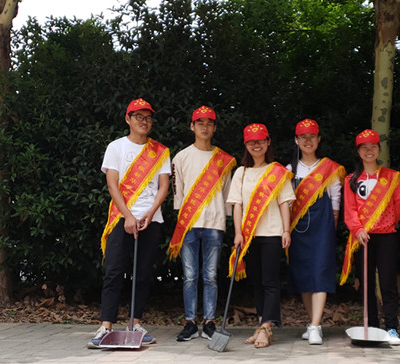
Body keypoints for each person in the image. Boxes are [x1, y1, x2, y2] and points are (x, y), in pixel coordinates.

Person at [88, 98, 171, 349]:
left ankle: (135, 324)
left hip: (150, 219)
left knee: (143, 273)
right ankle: (106, 326)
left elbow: (163, 186)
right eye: (138, 117)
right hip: (121, 217)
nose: (144, 121)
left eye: (148, 117)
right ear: (128, 119)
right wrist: (128, 216)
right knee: (114, 270)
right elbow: (112, 185)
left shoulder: (160, 151)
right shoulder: (116, 147)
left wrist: (150, 213)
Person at [169, 106, 236, 342]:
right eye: (200, 123)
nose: (204, 127)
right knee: (189, 276)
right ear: (192, 126)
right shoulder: (181, 157)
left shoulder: (225, 160)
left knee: (210, 276)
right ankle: (189, 322)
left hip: (215, 223)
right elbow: (178, 193)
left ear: (215, 128)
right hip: (189, 223)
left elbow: (227, 194)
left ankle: (209, 322)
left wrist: (226, 217)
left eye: (209, 123)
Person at [226, 123, 296, 348]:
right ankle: (260, 324)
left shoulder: (277, 171)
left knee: (270, 281)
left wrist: (286, 230)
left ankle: (266, 327)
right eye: (251, 141)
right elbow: (237, 205)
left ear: (268, 142)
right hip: (249, 236)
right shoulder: (241, 172)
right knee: (256, 282)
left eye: (260, 141)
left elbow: (284, 203)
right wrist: (238, 233)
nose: (256, 145)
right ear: (246, 145)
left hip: (272, 233)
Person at [341, 129, 400, 345]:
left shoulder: (391, 176)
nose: (369, 151)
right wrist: (358, 229)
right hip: (362, 237)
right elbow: (350, 210)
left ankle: (392, 327)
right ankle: (372, 325)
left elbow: (399, 205)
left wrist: (386, 223)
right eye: (364, 148)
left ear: (379, 149)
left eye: (373, 147)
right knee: (366, 283)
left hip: (387, 236)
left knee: (387, 282)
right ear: (358, 151)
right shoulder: (351, 179)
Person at [286, 119, 345, 345]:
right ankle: (313, 323)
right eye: (303, 137)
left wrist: (332, 223)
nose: (308, 141)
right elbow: (286, 201)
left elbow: (336, 197)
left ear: (319, 139)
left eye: (312, 136)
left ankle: (315, 325)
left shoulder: (329, 167)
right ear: (296, 140)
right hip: (298, 226)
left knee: (320, 271)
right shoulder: (289, 169)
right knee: (303, 273)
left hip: (322, 224)